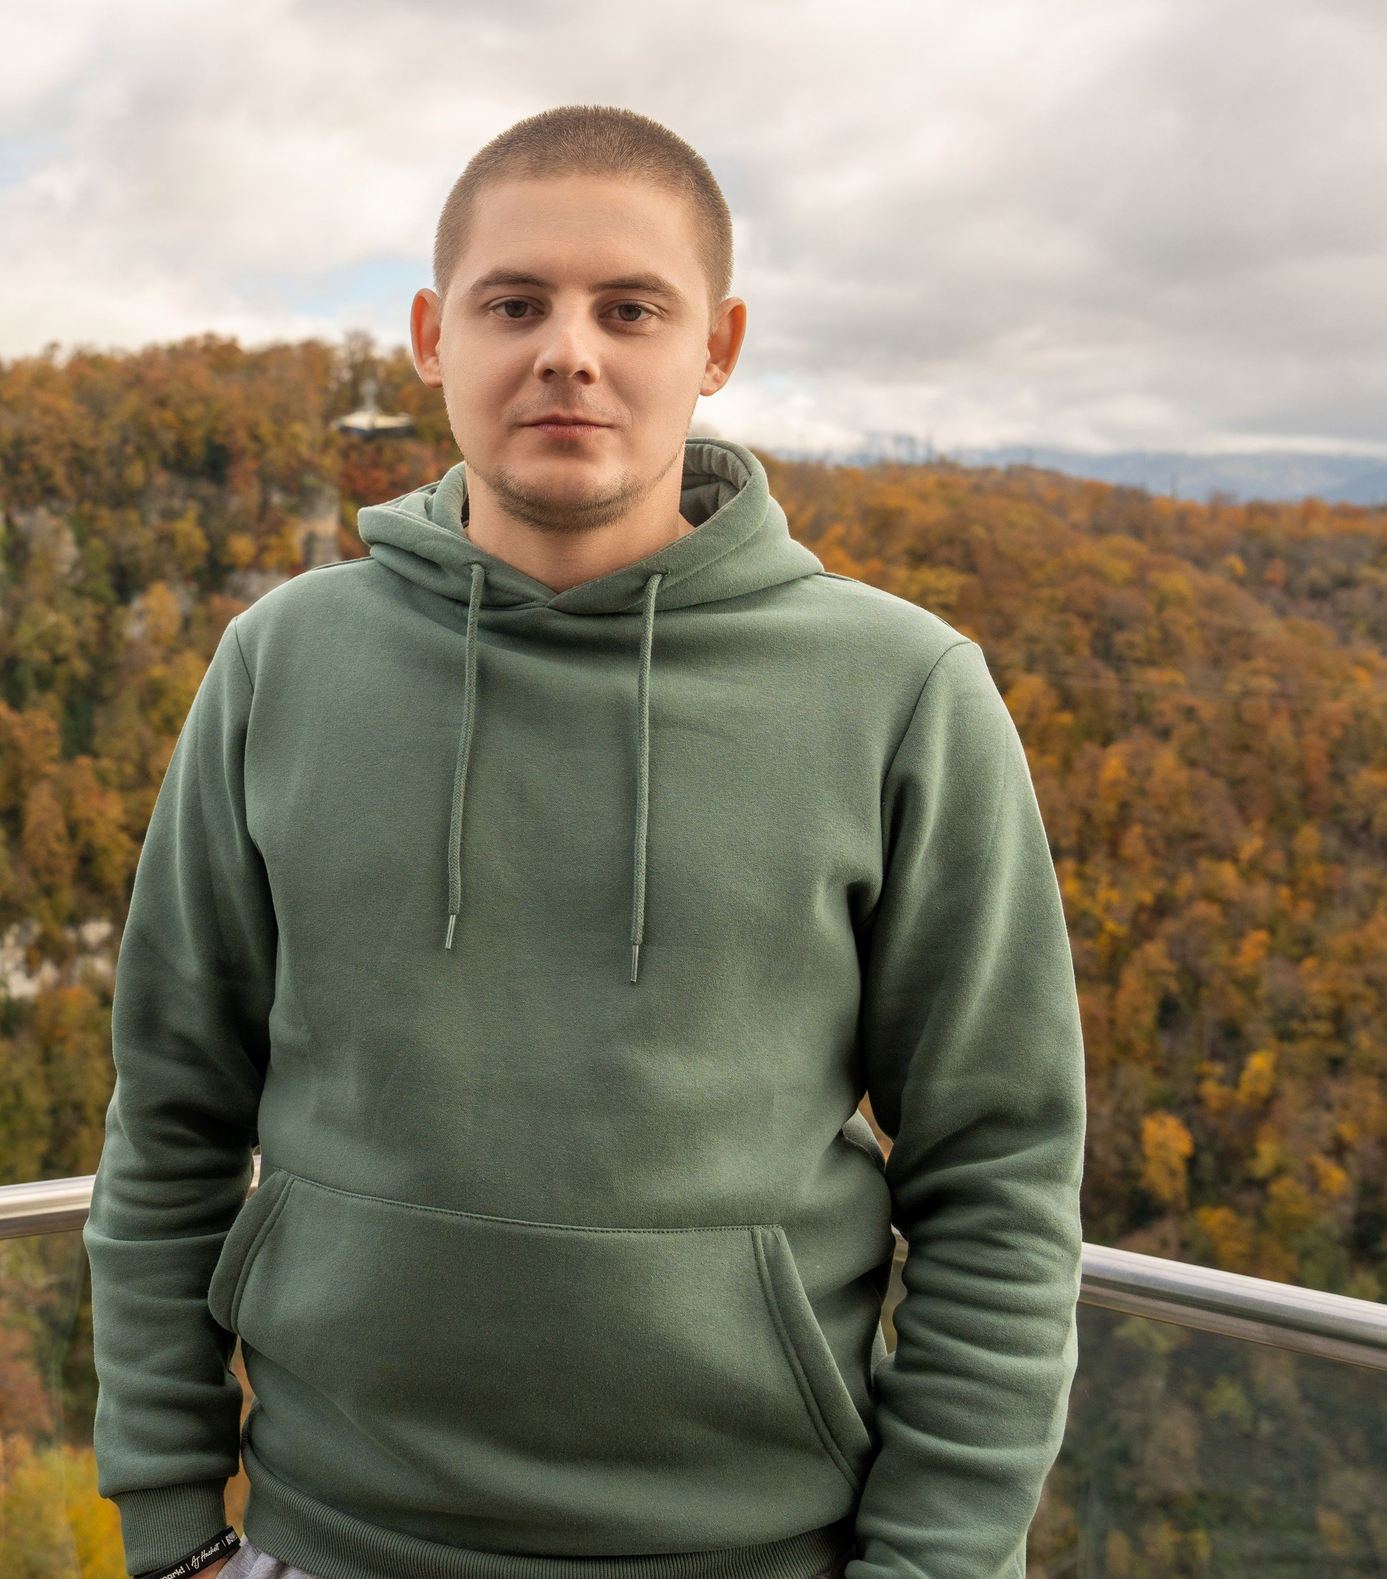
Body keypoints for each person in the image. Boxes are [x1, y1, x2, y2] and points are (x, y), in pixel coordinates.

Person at [87, 106, 1084, 1579]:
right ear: (433, 335)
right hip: (322, 1539)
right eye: (515, 303)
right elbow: (171, 1111)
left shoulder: (900, 691)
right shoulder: (280, 664)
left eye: (631, 307)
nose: (569, 350)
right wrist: (175, 1528)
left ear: (718, 343)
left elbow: (1000, 1177)